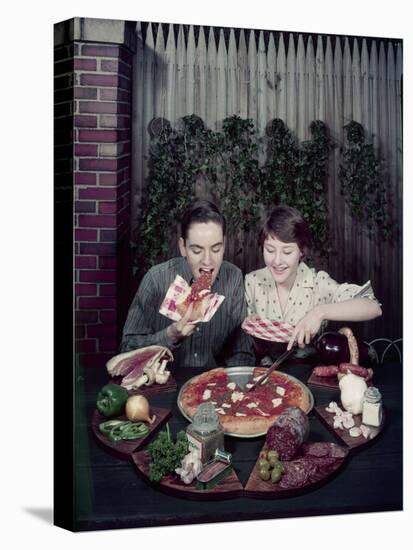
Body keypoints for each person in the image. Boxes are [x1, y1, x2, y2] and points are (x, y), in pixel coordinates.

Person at [121, 199, 255, 368]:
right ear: (183, 247)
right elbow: (126, 349)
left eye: (216, 249)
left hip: (214, 386)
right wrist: (170, 335)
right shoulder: (155, 279)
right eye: (197, 250)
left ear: (224, 244)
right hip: (165, 385)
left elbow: (241, 352)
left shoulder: (233, 277)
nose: (208, 261)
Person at [245, 205, 382, 354]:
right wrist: (253, 327)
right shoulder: (252, 281)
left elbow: (373, 306)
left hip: (309, 373)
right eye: (270, 250)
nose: (277, 261)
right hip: (266, 372)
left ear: (301, 252)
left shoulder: (317, 283)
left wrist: (319, 312)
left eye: (287, 251)